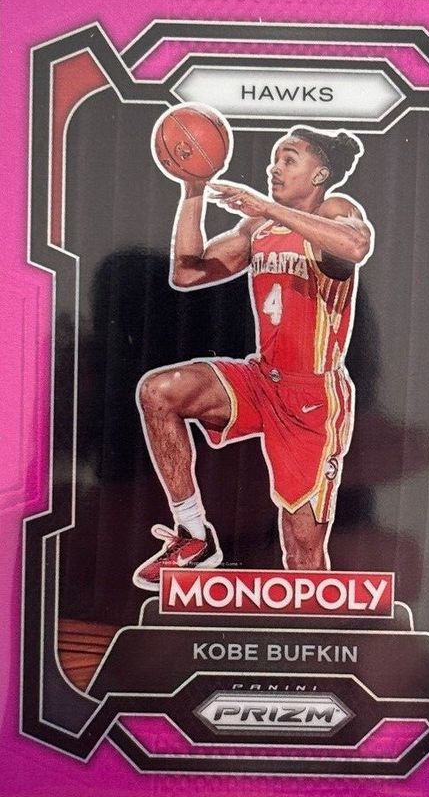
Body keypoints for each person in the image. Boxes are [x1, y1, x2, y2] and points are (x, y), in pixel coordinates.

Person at [133, 124, 374, 591]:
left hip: (312, 397)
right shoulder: (257, 228)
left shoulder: (336, 209)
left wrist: (267, 207)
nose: (274, 167)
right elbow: (186, 272)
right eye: (275, 158)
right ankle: (194, 535)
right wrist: (194, 189)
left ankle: (312, 630)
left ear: (320, 173)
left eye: (289, 159)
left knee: (301, 549)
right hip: (262, 378)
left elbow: (355, 246)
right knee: (159, 392)